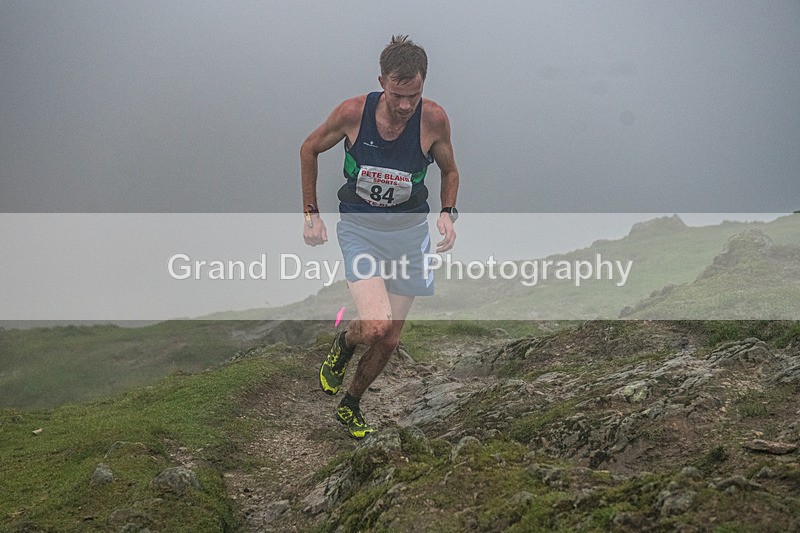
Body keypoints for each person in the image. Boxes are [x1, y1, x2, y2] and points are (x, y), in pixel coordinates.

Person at [300, 35, 460, 439]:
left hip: (409, 234)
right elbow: (309, 149)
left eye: (414, 95)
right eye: (396, 95)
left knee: (389, 340)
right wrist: (311, 214)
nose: (405, 105)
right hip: (360, 229)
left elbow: (450, 171)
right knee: (374, 325)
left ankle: (351, 403)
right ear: (381, 82)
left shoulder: (434, 120)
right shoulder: (353, 113)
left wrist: (447, 213)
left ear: (423, 85)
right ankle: (345, 343)